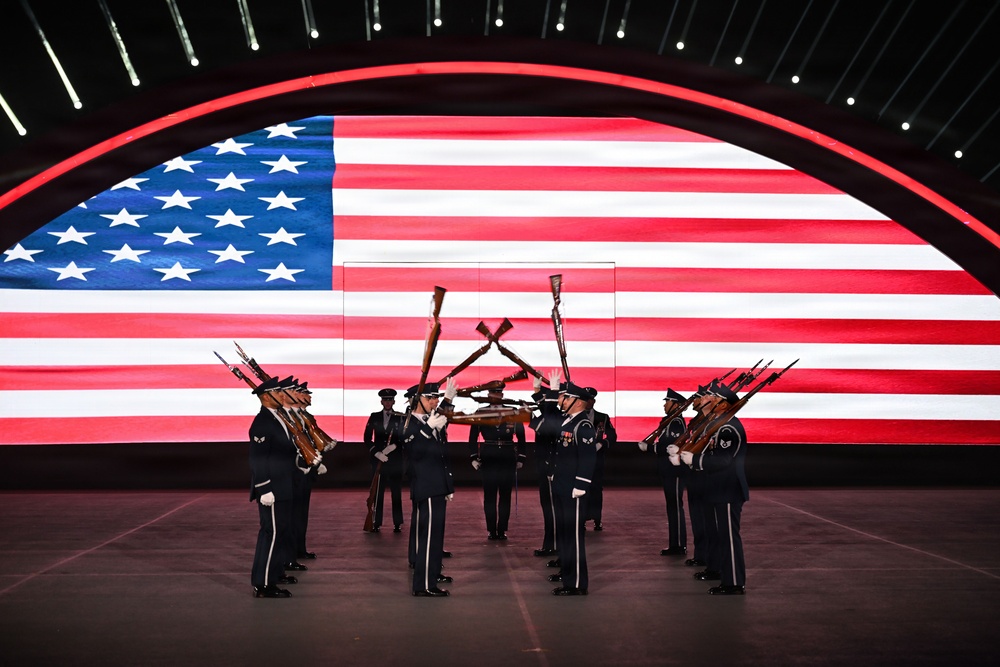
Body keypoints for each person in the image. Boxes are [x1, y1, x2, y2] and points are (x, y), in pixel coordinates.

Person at [680, 383, 749, 595]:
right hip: (716, 488)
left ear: (722, 404)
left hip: (727, 489)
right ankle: (718, 569)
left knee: (728, 537)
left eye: (712, 398)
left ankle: (734, 582)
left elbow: (724, 459)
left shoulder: (729, 428)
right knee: (718, 535)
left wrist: (696, 460)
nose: (705, 401)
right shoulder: (718, 425)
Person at [401, 379, 457, 597]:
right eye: (430, 397)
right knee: (429, 538)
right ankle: (424, 584)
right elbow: (413, 452)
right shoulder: (410, 424)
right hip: (426, 485)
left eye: (436, 397)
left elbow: (441, 455)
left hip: (436, 485)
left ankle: (432, 575)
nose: (434, 401)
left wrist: (449, 400)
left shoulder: (428, 420)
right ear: (418, 400)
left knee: (436, 537)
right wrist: (427, 430)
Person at [248, 376, 298, 598]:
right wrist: (263, 487)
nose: (282, 395)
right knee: (271, 533)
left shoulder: (278, 419)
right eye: (277, 393)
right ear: (266, 397)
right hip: (272, 488)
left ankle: (274, 574)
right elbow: (258, 459)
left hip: (284, 485)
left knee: (280, 533)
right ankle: (263, 584)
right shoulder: (262, 422)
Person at [549, 381, 598, 596]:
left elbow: (588, 459)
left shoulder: (583, 425)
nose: (563, 401)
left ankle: (577, 583)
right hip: (562, 486)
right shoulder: (568, 422)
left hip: (573, 489)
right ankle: (568, 576)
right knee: (566, 535)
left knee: (575, 538)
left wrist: (581, 484)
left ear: (577, 402)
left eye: (566, 398)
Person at [468, 382, 526, 540]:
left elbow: (521, 436)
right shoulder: (481, 412)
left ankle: (502, 529)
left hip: (507, 457)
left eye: (499, 394)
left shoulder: (513, 411)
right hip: (489, 457)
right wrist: (473, 457)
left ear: (502, 395)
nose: (496, 396)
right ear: (489, 396)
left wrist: (521, 457)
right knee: (490, 495)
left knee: (505, 495)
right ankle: (491, 529)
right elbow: (472, 437)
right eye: (493, 394)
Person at [644, 388, 688, 556]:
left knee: (675, 506)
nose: (665, 404)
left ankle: (678, 544)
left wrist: (651, 447)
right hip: (668, 469)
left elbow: (671, 446)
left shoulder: (676, 422)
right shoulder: (669, 420)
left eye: (668, 402)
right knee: (672, 506)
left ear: (676, 405)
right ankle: (675, 543)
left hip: (675, 470)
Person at [528, 370, 563, 558]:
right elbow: (545, 409)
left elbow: (547, 412)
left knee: (552, 509)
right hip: (545, 468)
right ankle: (550, 544)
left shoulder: (556, 418)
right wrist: (537, 389)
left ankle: (554, 546)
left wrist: (552, 391)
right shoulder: (552, 415)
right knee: (548, 508)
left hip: (551, 469)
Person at [364, 388, 405, 533]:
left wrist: (394, 446)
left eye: (390, 400)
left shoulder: (400, 417)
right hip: (379, 460)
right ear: (381, 401)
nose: (387, 402)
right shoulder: (374, 416)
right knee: (378, 492)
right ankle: (376, 522)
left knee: (396, 493)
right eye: (385, 400)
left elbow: (404, 438)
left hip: (394, 461)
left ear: (394, 401)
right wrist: (376, 453)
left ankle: (397, 522)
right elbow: (367, 438)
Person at [583, 387, 616, 531]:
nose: (588, 402)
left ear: (594, 401)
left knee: (596, 489)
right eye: (586, 399)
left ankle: (597, 519)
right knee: (582, 489)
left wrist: (602, 443)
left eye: (590, 399)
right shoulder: (575, 416)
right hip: (581, 458)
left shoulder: (603, 417)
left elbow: (612, 436)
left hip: (597, 459)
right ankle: (582, 519)